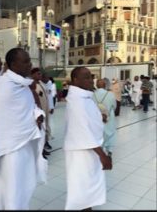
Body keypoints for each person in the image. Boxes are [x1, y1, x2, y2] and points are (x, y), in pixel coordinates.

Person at [0, 48, 47, 210]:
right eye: (26, 61)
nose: (30, 64)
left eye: (30, 60)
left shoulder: (22, 85)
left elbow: (30, 107)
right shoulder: (6, 86)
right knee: (12, 189)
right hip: (9, 150)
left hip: (24, 145)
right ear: (12, 64)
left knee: (24, 186)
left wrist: (38, 115)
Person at [64, 67, 112, 210]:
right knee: (83, 185)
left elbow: (88, 118)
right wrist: (103, 155)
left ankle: (87, 207)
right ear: (75, 80)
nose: (91, 80)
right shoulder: (77, 101)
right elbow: (83, 131)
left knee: (88, 183)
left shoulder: (84, 96)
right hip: (81, 150)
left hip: (90, 148)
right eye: (86, 77)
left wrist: (99, 117)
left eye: (91, 76)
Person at [93, 78, 117, 156]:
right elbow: (114, 106)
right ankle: (109, 149)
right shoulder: (110, 94)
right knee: (110, 132)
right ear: (105, 85)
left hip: (96, 116)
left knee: (98, 132)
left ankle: (100, 147)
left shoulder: (92, 95)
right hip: (109, 115)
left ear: (96, 85)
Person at [32, 68, 53, 156]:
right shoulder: (32, 85)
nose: (40, 76)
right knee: (40, 130)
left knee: (45, 129)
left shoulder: (41, 83)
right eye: (38, 74)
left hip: (45, 110)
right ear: (32, 75)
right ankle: (40, 151)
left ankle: (44, 146)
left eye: (40, 74)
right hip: (39, 112)